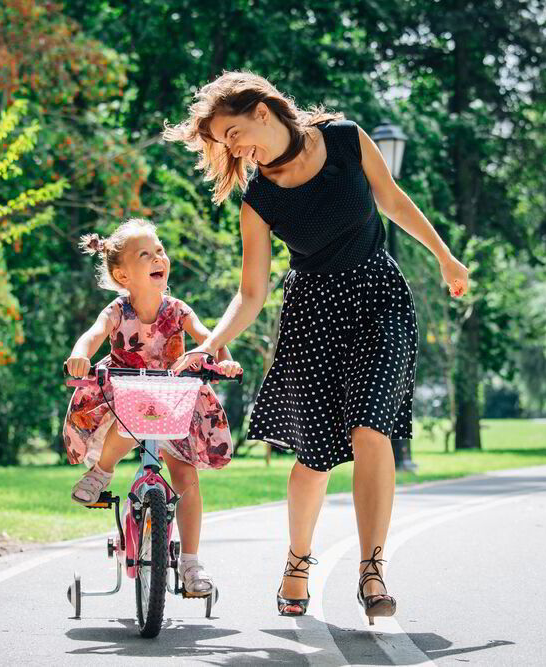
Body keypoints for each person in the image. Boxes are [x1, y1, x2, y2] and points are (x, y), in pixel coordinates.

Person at [164, 71, 469, 621]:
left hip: (379, 298)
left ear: (262, 110)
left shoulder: (348, 140)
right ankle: (297, 562)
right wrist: (211, 342)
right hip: (312, 316)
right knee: (316, 456)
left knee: (372, 429)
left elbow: (394, 202)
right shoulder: (258, 198)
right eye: (223, 143)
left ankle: (371, 570)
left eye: (232, 133)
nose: (233, 149)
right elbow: (251, 292)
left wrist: (445, 256)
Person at [63, 217, 242, 594]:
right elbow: (94, 334)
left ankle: (191, 564)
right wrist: (80, 354)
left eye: (159, 250)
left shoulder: (177, 309)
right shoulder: (117, 310)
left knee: (186, 478)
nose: (158, 257)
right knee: (126, 426)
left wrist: (222, 359)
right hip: (129, 392)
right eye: (145, 254)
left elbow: (209, 339)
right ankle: (101, 472)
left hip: (175, 396)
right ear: (123, 275)